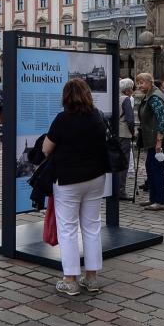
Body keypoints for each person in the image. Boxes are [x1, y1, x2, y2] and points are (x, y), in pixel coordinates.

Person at [41, 78, 108, 295]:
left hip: (68, 179)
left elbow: (46, 149)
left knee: (68, 228)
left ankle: (70, 279)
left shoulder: (63, 119)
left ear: (66, 97)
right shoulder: (97, 116)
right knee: (92, 226)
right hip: (96, 177)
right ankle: (92, 277)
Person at [135, 73, 164, 211]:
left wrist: (159, 141)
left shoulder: (155, 97)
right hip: (151, 139)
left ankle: (160, 201)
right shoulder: (150, 95)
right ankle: (153, 198)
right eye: (138, 83)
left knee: (157, 170)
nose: (139, 86)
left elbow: (162, 119)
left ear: (150, 82)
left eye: (142, 83)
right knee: (150, 168)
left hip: (158, 140)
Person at [117, 78, 136, 200]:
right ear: (128, 89)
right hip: (124, 133)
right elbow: (130, 119)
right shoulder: (126, 100)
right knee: (123, 162)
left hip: (115, 133)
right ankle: (121, 190)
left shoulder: (116, 98)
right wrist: (133, 132)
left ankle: (113, 188)